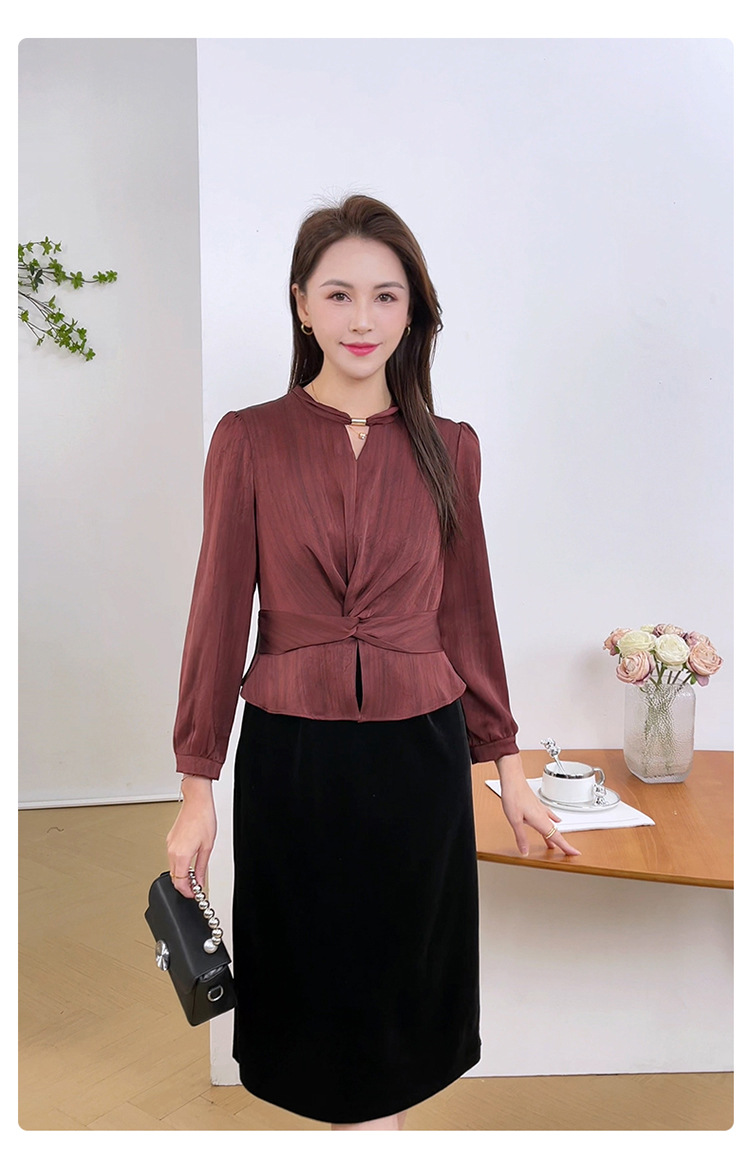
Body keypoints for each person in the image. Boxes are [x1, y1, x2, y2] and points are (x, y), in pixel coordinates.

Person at [166, 194, 581, 1132]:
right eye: (340, 293)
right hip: (293, 760)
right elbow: (216, 617)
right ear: (302, 304)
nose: (363, 318)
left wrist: (508, 770)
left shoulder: (451, 448)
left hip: (417, 762)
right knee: (314, 1010)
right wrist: (197, 790)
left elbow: (468, 617)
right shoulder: (248, 439)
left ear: (413, 310)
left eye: (386, 296)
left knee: (399, 1010)